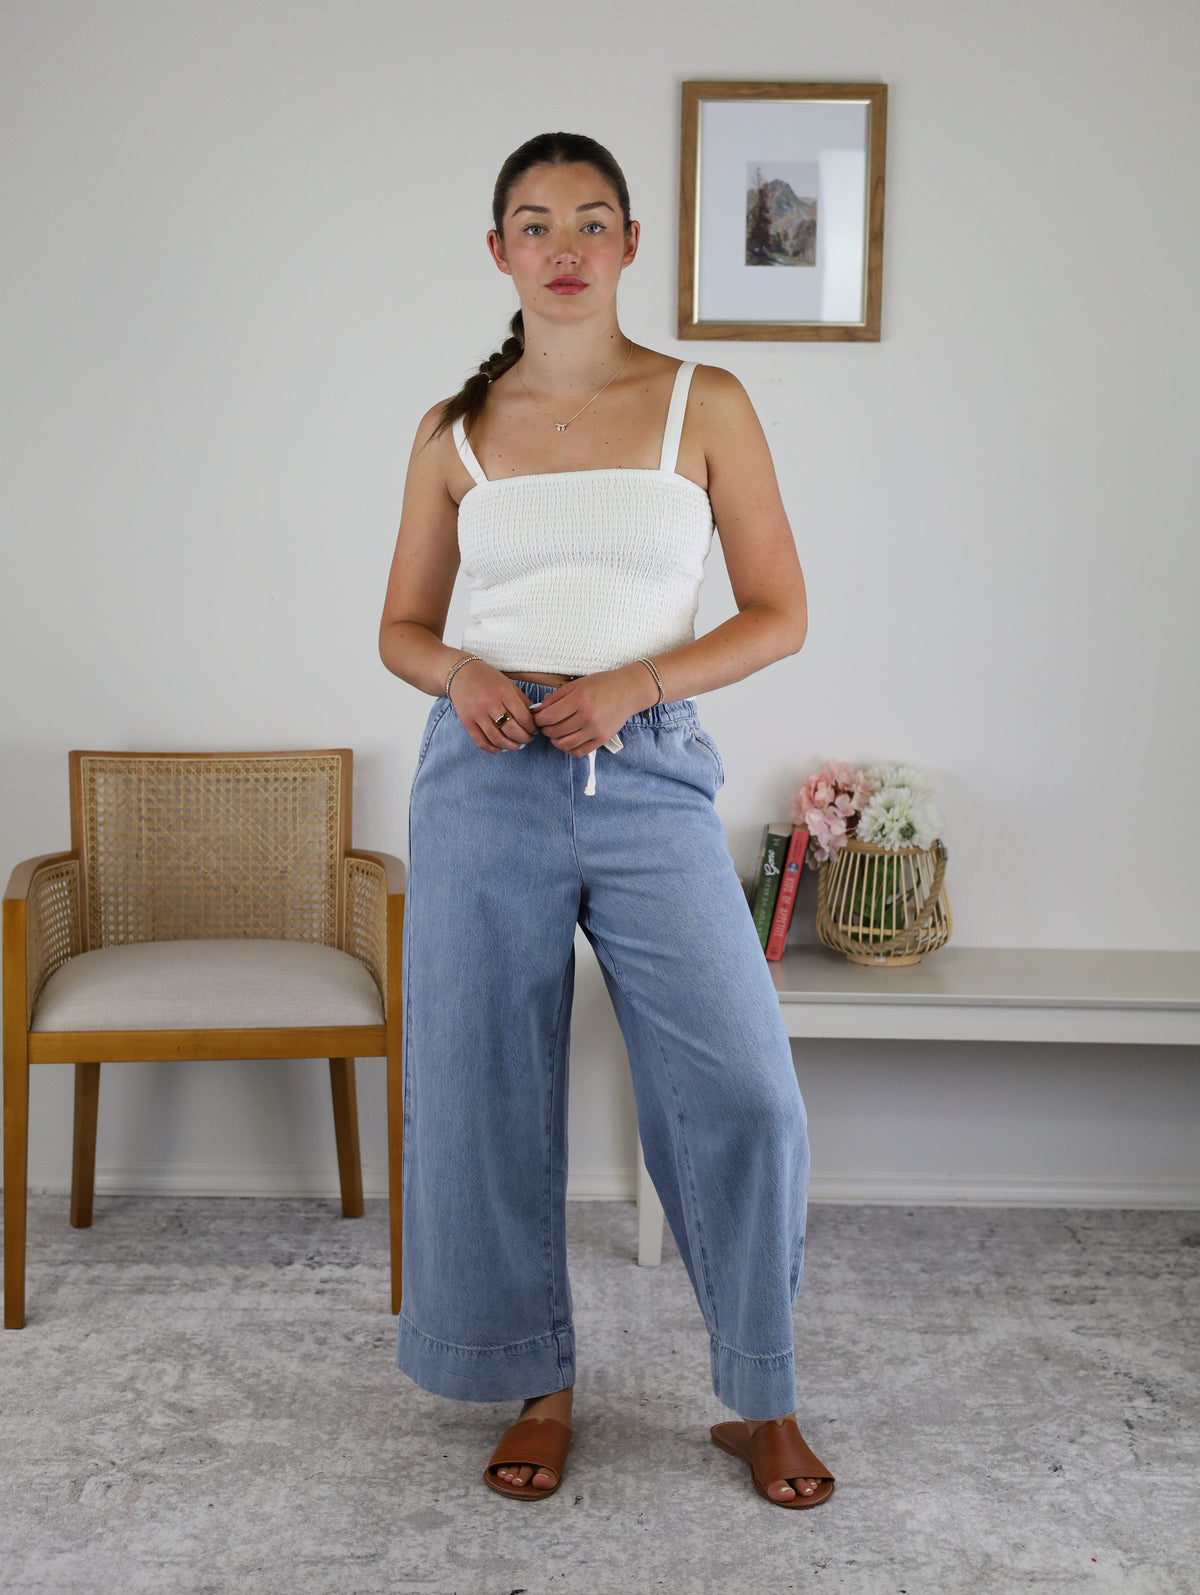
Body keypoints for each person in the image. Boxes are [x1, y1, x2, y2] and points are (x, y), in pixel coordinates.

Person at [378, 131, 833, 1510]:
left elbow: (778, 612)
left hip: (647, 773)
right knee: (480, 1091)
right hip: (484, 780)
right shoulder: (453, 430)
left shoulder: (705, 399)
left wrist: (639, 681)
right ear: (499, 251)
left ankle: (762, 1396)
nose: (563, 247)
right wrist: (461, 673)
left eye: (590, 221)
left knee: (744, 1089)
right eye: (534, 222)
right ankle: (537, 1386)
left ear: (631, 244)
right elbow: (402, 628)